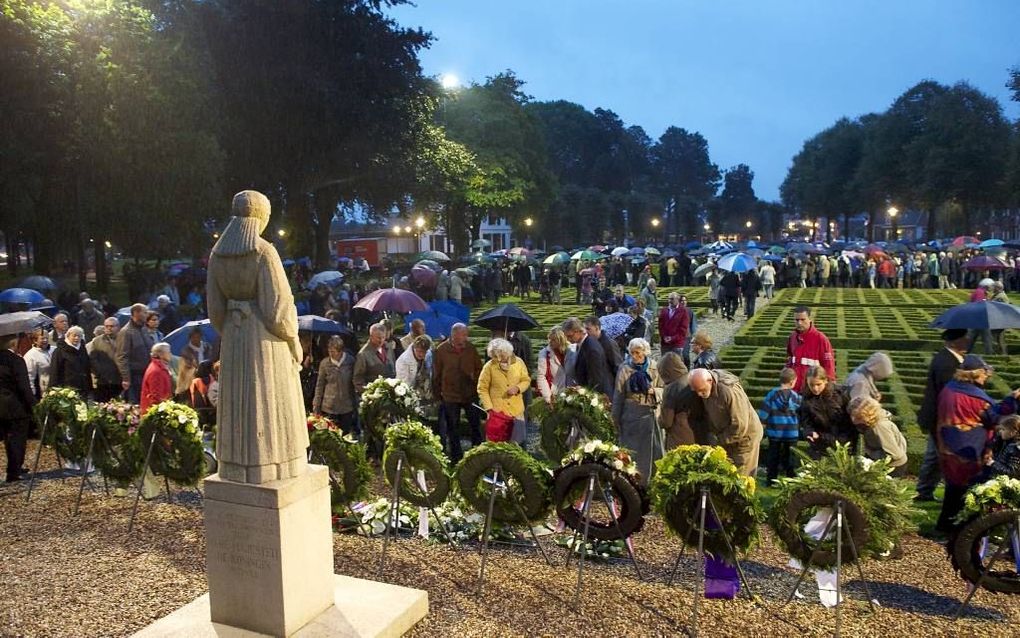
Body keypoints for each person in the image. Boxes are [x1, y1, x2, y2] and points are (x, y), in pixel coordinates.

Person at [935, 355, 1019, 531]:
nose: (987, 376)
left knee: (953, 489)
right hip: (969, 449)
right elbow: (995, 419)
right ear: (975, 373)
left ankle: (944, 525)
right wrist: (1012, 400)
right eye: (984, 372)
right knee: (968, 491)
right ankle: (963, 528)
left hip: (948, 446)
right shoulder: (977, 398)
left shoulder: (948, 389)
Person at [915, 329, 969, 501]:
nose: (967, 341)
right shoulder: (947, 362)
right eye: (964, 338)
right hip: (941, 417)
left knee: (934, 456)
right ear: (954, 342)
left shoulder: (947, 358)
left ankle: (925, 491)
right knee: (943, 456)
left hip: (937, 416)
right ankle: (945, 492)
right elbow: (949, 393)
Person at [688, 368, 763, 476]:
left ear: (710, 381)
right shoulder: (706, 386)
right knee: (726, 475)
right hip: (727, 437)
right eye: (696, 391)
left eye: (702, 390)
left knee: (741, 477)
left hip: (744, 439)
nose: (699, 394)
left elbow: (740, 425)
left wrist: (720, 440)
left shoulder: (729, 390)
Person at [612, 338, 663, 482]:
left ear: (645, 352)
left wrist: (654, 391)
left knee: (652, 450)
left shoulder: (655, 367)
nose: (635, 356)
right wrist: (615, 417)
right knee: (632, 450)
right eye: (632, 353)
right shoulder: (624, 368)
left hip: (650, 413)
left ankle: (653, 480)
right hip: (631, 414)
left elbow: (666, 390)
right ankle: (632, 480)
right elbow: (618, 394)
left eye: (638, 353)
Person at [432, 323, 483, 462]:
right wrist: (438, 394)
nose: (467, 337)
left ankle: (478, 456)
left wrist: (475, 379)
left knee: (475, 425)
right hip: (450, 395)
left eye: (466, 334)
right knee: (453, 428)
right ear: (454, 335)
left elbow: (480, 368)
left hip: (469, 394)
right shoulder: (441, 350)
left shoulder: (471, 348)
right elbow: (436, 374)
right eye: (464, 334)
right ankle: (456, 458)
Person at [477, 338, 530, 444]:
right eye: (495, 356)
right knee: (497, 445)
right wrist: (489, 408)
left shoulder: (519, 362)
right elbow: (482, 388)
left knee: (517, 443)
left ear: (508, 352)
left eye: (501, 355)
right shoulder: (489, 366)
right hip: (497, 412)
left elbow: (526, 380)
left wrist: (518, 388)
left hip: (516, 410)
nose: (499, 358)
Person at [798, 365, 857, 458]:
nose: (815, 388)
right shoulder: (806, 399)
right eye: (811, 385)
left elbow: (850, 418)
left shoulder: (840, 393)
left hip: (844, 440)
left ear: (825, 381)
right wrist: (810, 432)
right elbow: (806, 422)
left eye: (818, 384)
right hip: (821, 442)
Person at [1, 333, 35, 482]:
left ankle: (14, 469)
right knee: (16, 439)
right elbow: (24, 387)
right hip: (14, 406)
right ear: (13, 343)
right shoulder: (16, 360)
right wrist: (34, 405)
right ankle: (14, 472)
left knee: (7, 439)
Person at [759, 368, 802, 486]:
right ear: (793, 381)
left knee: (773, 456)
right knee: (790, 457)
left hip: (775, 432)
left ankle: (771, 480)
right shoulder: (796, 397)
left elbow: (764, 412)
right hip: (792, 432)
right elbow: (801, 413)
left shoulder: (772, 395)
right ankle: (791, 479)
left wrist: (762, 423)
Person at [848, 396, 908, 477]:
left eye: (858, 417)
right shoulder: (871, 422)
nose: (853, 420)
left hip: (893, 467)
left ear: (869, 414)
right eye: (852, 415)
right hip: (886, 463)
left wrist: (869, 455)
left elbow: (894, 455)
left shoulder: (880, 427)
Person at [312, 335, 357, 435]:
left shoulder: (350, 361)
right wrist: (316, 404)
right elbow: (320, 385)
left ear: (340, 351)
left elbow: (354, 382)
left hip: (346, 407)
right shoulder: (324, 364)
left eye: (333, 352)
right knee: (331, 437)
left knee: (345, 435)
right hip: (329, 406)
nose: (330, 354)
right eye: (329, 351)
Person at [785, 306, 835, 393]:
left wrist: (828, 389)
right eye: (796, 320)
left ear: (810, 319)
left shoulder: (821, 339)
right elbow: (790, 359)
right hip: (794, 390)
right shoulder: (792, 337)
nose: (799, 323)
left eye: (802, 319)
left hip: (812, 390)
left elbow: (829, 366)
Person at [563, 317, 613, 397]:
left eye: (570, 336)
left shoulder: (591, 348)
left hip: (599, 397)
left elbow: (596, 379)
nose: (568, 340)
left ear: (578, 331)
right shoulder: (584, 344)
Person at [658, 351, 698, 448]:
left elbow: (666, 421)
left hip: (679, 437)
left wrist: (659, 420)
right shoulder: (692, 379)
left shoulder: (671, 389)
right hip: (698, 433)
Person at [116, 303, 153, 403]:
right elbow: (122, 357)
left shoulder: (144, 329)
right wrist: (126, 378)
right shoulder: (126, 332)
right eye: (145, 312)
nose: (147, 314)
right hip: (135, 376)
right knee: (136, 404)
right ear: (136, 313)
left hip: (147, 373)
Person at [50, 326, 93, 397]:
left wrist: (89, 386)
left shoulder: (82, 349)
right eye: (74, 335)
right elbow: (55, 371)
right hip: (67, 389)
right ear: (68, 336)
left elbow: (86, 368)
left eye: (79, 336)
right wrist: (54, 389)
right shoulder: (59, 351)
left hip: (83, 388)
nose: (77, 338)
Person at [353, 322, 396, 393]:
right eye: (378, 338)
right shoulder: (363, 354)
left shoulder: (388, 348)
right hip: (374, 396)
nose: (381, 340)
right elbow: (358, 378)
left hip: (390, 392)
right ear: (371, 336)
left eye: (383, 337)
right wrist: (368, 393)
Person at [536, 327, 575, 403]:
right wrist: (548, 397)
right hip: (555, 393)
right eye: (550, 339)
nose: (550, 342)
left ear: (561, 339)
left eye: (553, 340)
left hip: (573, 391)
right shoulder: (544, 353)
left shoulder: (572, 350)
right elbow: (541, 376)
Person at [89, 317, 122, 402]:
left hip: (120, 380)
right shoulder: (97, 341)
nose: (109, 328)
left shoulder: (124, 340)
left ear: (118, 327)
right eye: (106, 326)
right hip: (102, 381)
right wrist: (100, 373)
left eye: (111, 326)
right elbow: (92, 359)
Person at [980, 415, 1020, 481]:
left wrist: (992, 463)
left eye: (1003, 429)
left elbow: (1013, 473)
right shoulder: (1006, 441)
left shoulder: (1015, 448)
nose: (1000, 432)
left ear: (1013, 432)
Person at [177, 327, 214, 399]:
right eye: (194, 337)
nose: (197, 339)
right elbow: (186, 367)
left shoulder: (207, 347)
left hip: (208, 376)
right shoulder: (185, 351)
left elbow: (211, 359)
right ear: (190, 338)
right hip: (193, 378)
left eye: (198, 337)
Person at [583, 315, 622, 380]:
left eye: (588, 329)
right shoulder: (588, 343)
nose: (585, 332)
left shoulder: (609, 343)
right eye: (585, 329)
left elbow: (617, 366)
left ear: (597, 328)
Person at [139, 342, 174, 414]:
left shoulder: (160, 368)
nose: (171, 354)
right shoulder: (156, 371)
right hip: (155, 414)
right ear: (161, 354)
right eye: (169, 352)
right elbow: (156, 397)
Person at [23, 330, 54, 400]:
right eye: (42, 338)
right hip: (42, 391)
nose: (45, 340)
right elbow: (30, 377)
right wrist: (32, 396)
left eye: (47, 338)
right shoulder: (30, 355)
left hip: (56, 387)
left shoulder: (54, 349)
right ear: (35, 341)